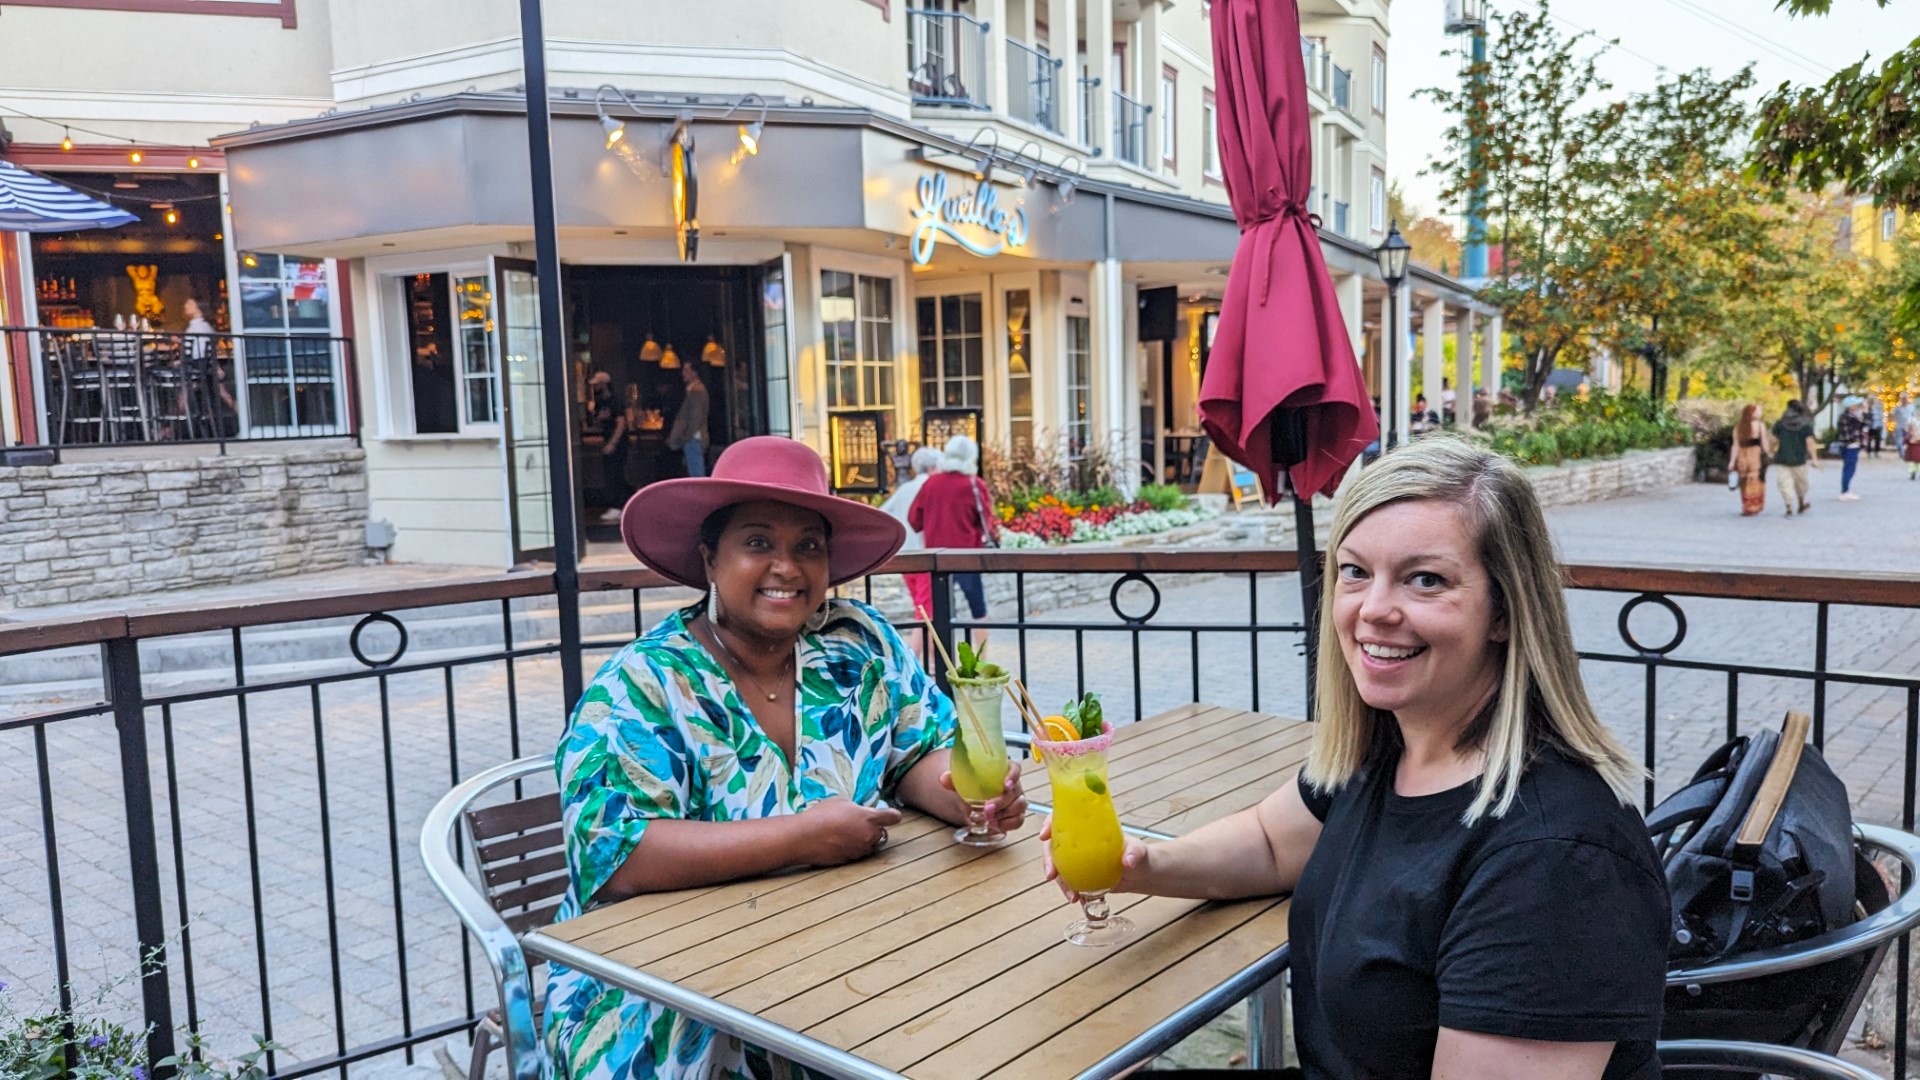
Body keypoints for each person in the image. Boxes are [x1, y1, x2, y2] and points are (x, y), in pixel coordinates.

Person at [1044, 436, 1668, 1079]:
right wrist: (1135, 864)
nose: (1373, 610)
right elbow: (1270, 842)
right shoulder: (1388, 750)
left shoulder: (1554, 859)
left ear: (1505, 612)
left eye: (1426, 580)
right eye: (1354, 571)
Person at [548, 436, 1026, 1080]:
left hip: (843, 958)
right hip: (666, 995)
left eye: (808, 545)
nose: (787, 567)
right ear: (709, 558)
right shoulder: (642, 684)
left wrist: (969, 793)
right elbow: (617, 858)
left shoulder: (856, 642)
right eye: (757, 542)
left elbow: (916, 752)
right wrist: (802, 837)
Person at [909, 435, 999, 652]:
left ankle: (932, 664)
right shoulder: (974, 485)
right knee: (978, 610)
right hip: (966, 558)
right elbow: (988, 521)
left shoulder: (930, 484)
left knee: (932, 613)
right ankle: (981, 661)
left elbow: (914, 520)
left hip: (935, 559)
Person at [880, 445, 944, 623]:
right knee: (925, 614)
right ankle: (912, 651)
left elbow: (883, 513)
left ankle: (930, 651)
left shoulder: (905, 489)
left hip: (904, 556)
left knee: (920, 607)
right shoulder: (932, 489)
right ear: (933, 467)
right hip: (926, 556)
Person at [584, 372, 629, 524]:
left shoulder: (615, 401)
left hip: (618, 443)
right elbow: (597, 421)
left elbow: (621, 423)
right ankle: (620, 504)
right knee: (610, 474)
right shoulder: (600, 402)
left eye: (597, 384)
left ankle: (619, 505)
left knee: (616, 473)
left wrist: (613, 443)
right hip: (607, 441)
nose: (595, 387)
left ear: (604, 384)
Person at [1771, 399, 1821, 516]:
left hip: (1782, 459)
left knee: (1784, 484)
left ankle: (1789, 505)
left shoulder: (1780, 424)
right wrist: (1814, 459)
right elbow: (1810, 443)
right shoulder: (1805, 424)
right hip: (1799, 460)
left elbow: (1773, 440)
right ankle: (1800, 501)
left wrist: (1770, 452)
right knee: (1802, 484)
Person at [1726, 402, 1775, 517]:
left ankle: (1746, 505)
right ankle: (1753, 505)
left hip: (1742, 456)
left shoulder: (1738, 427)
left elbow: (1735, 445)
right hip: (1755, 455)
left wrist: (1732, 461)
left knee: (1743, 480)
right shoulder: (1759, 425)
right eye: (1758, 410)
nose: (1760, 413)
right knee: (1754, 480)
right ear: (1752, 413)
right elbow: (1764, 443)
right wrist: (1769, 453)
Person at [666, 362, 710, 478]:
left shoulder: (697, 391)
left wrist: (685, 436)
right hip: (693, 438)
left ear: (695, 372)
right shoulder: (694, 390)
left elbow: (696, 417)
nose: (683, 373)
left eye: (686, 370)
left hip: (694, 438)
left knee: (696, 474)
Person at [1838, 397, 1870, 501]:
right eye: (1855, 405)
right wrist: (1857, 439)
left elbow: (1864, 425)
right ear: (1850, 406)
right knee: (1849, 468)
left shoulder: (1849, 416)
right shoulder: (1848, 417)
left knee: (1850, 468)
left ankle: (1845, 490)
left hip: (1851, 445)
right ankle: (1845, 491)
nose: (1857, 406)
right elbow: (1863, 425)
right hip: (1850, 445)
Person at [1903, 402, 1920, 481]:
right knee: (1913, 461)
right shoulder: (1912, 421)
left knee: (1916, 460)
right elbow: (1908, 431)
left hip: (1916, 443)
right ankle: (1912, 472)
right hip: (1913, 444)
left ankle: (1915, 472)